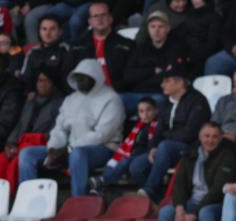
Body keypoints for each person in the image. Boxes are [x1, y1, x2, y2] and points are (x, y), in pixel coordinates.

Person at [18, 58, 125, 198]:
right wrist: (53, 149)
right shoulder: (71, 99)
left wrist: (69, 149)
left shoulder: (111, 99)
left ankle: (78, 201)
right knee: (27, 154)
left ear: (95, 77)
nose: (79, 81)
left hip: (103, 149)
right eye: (77, 77)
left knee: (77, 154)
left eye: (83, 77)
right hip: (68, 149)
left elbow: (101, 135)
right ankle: (28, 199)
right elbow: (59, 128)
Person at [133, 66, 211, 202]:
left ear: (179, 83)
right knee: (136, 166)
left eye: (167, 81)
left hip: (190, 147)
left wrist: (165, 138)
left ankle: (149, 189)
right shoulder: (166, 103)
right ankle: (158, 199)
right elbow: (158, 131)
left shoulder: (198, 101)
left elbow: (190, 133)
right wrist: (152, 148)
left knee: (165, 146)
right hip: (165, 148)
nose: (162, 85)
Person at [158, 121, 236, 221]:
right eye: (207, 136)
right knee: (165, 213)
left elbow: (217, 191)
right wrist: (180, 208)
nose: (210, 140)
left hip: (219, 204)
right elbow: (179, 184)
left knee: (205, 212)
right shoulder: (190, 154)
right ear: (200, 137)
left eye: (215, 137)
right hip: (193, 202)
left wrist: (194, 213)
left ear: (220, 139)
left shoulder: (227, 156)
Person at [0, 69, 64, 190]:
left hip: (43, 144)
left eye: (47, 81)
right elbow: (20, 124)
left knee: (20, 159)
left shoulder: (60, 103)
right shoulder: (30, 101)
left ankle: (22, 195)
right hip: (21, 144)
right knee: (2, 160)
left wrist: (32, 140)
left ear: (54, 84)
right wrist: (10, 143)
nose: (42, 84)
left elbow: (57, 130)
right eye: (40, 80)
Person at [121, 10, 189, 116]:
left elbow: (173, 77)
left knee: (158, 102)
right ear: (148, 29)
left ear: (168, 28)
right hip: (136, 94)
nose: (156, 30)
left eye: (160, 26)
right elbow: (128, 76)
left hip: (160, 95)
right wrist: (153, 71)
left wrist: (142, 76)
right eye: (153, 26)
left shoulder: (176, 48)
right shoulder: (140, 48)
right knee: (117, 100)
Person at [89, 96, 158, 195]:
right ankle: (100, 187)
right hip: (133, 153)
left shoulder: (159, 125)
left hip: (146, 154)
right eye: (141, 111)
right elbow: (129, 143)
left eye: (148, 110)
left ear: (156, 110)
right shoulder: (138, 125)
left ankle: (103, 180)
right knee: (115, 160)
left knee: (125, 161)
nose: (145, 114)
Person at [69, 0, 133, 92]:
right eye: (95, 16)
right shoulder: (77, 46)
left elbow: (130, 75)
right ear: (90, 21)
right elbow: (68, 73)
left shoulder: (127, 44)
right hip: (85, 94)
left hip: (119, 93)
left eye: (103, 15)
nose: (99, 19)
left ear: (110, 18)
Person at [19, 15, 70, 92]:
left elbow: (67, 81)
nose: (47, 33)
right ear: (39, 32)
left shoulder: (66, 51)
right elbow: (25, 78)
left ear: (60, 32)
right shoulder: (33, 52)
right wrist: (30, 91)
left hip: (59, 95)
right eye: (44, 29)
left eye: (52, 29)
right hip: (35, 95)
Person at [179, 0, 223, 77]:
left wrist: (192, 57)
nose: (193, 0)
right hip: (186, 54)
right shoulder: (190, 14)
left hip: (202, 57)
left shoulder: (215, 17)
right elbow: (181, 34)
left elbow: (212, 44)